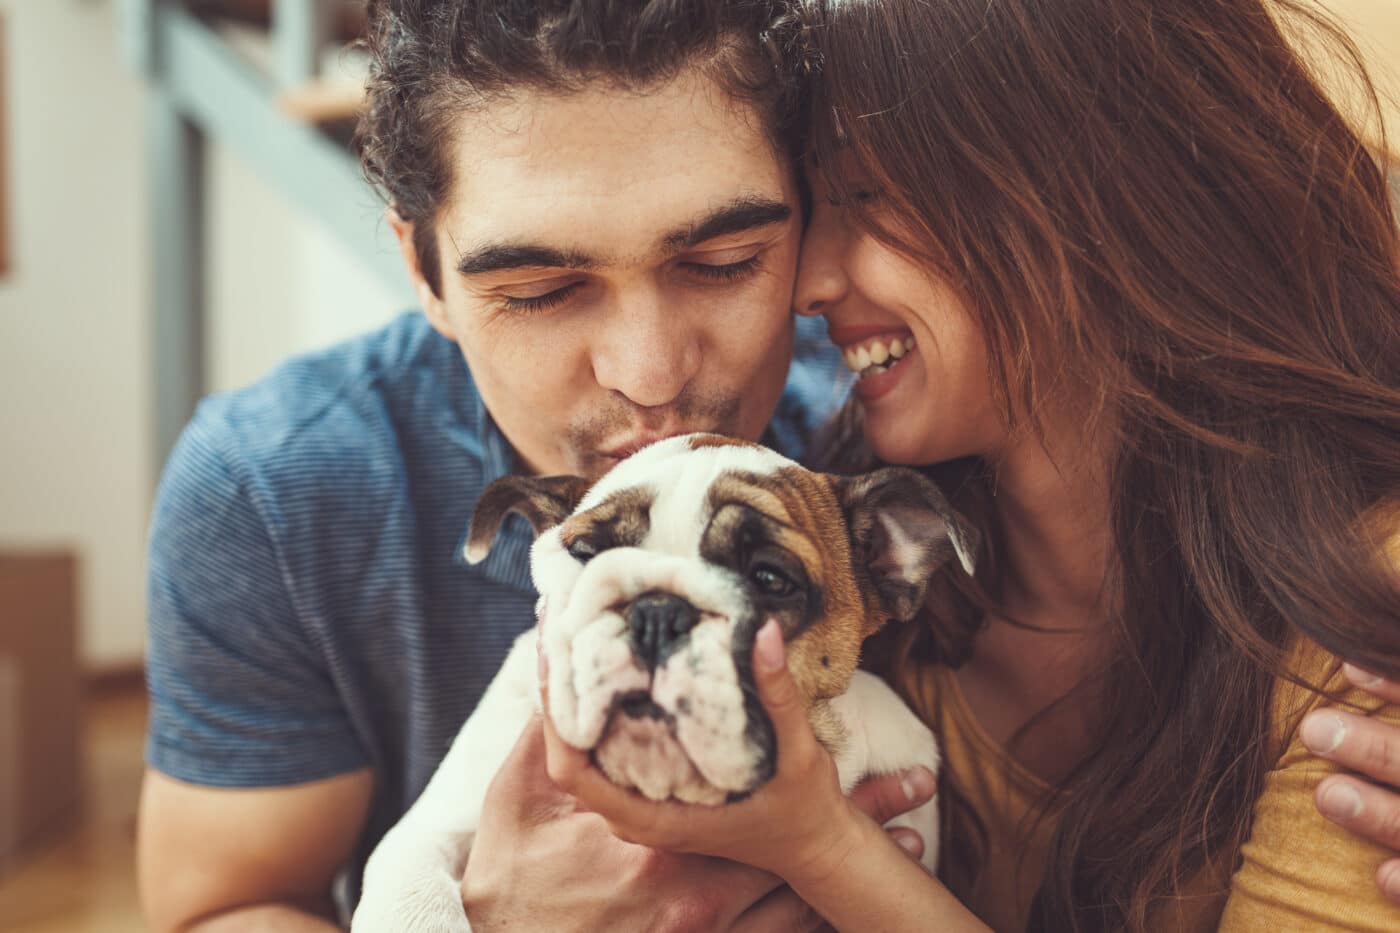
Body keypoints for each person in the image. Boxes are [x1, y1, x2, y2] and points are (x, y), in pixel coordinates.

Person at [541, 0, 1400, 930]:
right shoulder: (837, 562)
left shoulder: (1358, 605)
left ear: (1109, 196)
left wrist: (822, 846)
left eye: (866, 197)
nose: (808, 283)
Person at [134, 2, 936, 931]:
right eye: (542, 292)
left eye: (722, 261)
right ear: (424, 271)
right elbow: (226, 905)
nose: (648, 372)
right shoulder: (276, 486)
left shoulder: (887, 431)